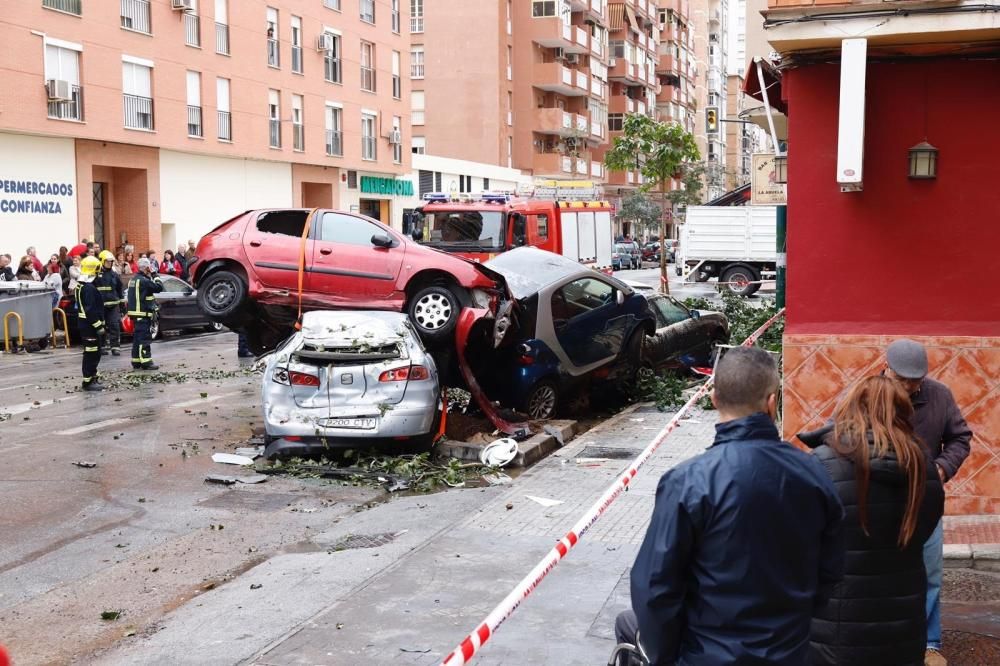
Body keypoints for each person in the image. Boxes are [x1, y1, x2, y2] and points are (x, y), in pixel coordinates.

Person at [615, 347, 845, 666]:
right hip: (788, 651)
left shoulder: (687, 482)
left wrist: (668, 656)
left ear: (714, 399)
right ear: (772, 402)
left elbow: (654, 588)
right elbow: (830, 572)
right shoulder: (813, 473)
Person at [798, 376, 944, 665]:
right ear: (903, 412)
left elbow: (800, 539)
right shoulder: (923, 465)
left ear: (849, 408)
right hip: (904, 623)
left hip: (836, 625)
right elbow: (927, 526)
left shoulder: (821, 463)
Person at [882, 339, 972, 666]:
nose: (909, 387)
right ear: (887, 369)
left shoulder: (939, 395)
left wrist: (941, 469)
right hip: (880, 502)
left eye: (915, 381)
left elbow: (960, 439)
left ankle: (928, 642)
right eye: (902, 380)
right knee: (877, 572)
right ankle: (882, 642)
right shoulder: (866, 394)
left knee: (928, 573)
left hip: (926, 502)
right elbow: (840, 436)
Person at [75, 256, 106, 391]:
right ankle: (88, 381)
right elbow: (90, 310)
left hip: (86, 324)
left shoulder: (82, 285)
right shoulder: (88, 288)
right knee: (91, 353)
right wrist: (99, 326)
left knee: (94, 352)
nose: (100, 273)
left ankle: (92, 376)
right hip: (89, 326)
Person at [126, 257, 163, 370]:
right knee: (144, 338)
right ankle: (146, 361)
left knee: (137, 338)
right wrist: (155, 275)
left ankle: (136, 361)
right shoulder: (144, 281)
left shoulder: (133, 280)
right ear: (147, 268)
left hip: (136, 314)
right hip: (142, 313)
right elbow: (159, 287)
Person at [94, 250, 125, 357]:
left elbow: (120, 289)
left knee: (114, 326)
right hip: (101, 306)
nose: (109, 263)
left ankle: (115, 347)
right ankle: (102, 346)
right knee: (101, 327)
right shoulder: (96, 275)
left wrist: (122, 304)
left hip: (113, 305)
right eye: (107, 261)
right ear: (102, 261)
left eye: (111, 262)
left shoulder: (114, 275)